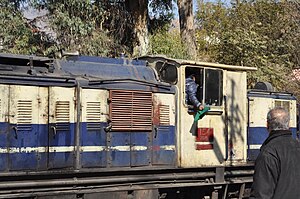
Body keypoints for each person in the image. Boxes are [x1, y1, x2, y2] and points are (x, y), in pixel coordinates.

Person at [250, 107, 300, 199]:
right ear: (289, 124)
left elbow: (261, 194)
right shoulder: (297, 146)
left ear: (267, 125)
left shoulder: (268, 152)